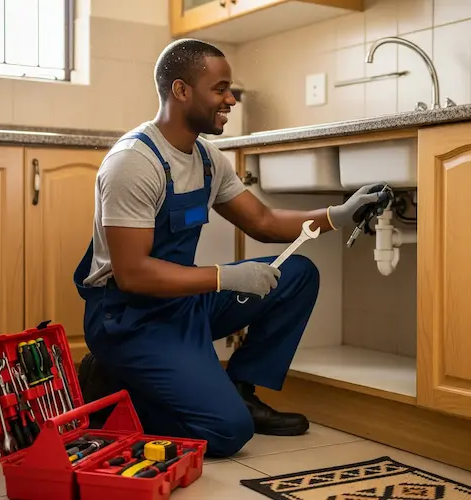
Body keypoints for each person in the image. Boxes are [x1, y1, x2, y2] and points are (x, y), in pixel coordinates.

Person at [74, 38, 385, 458]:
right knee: (225, 433)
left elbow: (264, 222)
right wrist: (225, 276)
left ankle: (240, 390)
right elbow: (132, 273)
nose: (231, 99)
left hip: (183, 304)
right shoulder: (135, 161)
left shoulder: (207, 158)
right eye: (220, 88)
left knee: (297, 275)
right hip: (130, 318)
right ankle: (113, 383)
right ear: (181, 90)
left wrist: (338, 214)